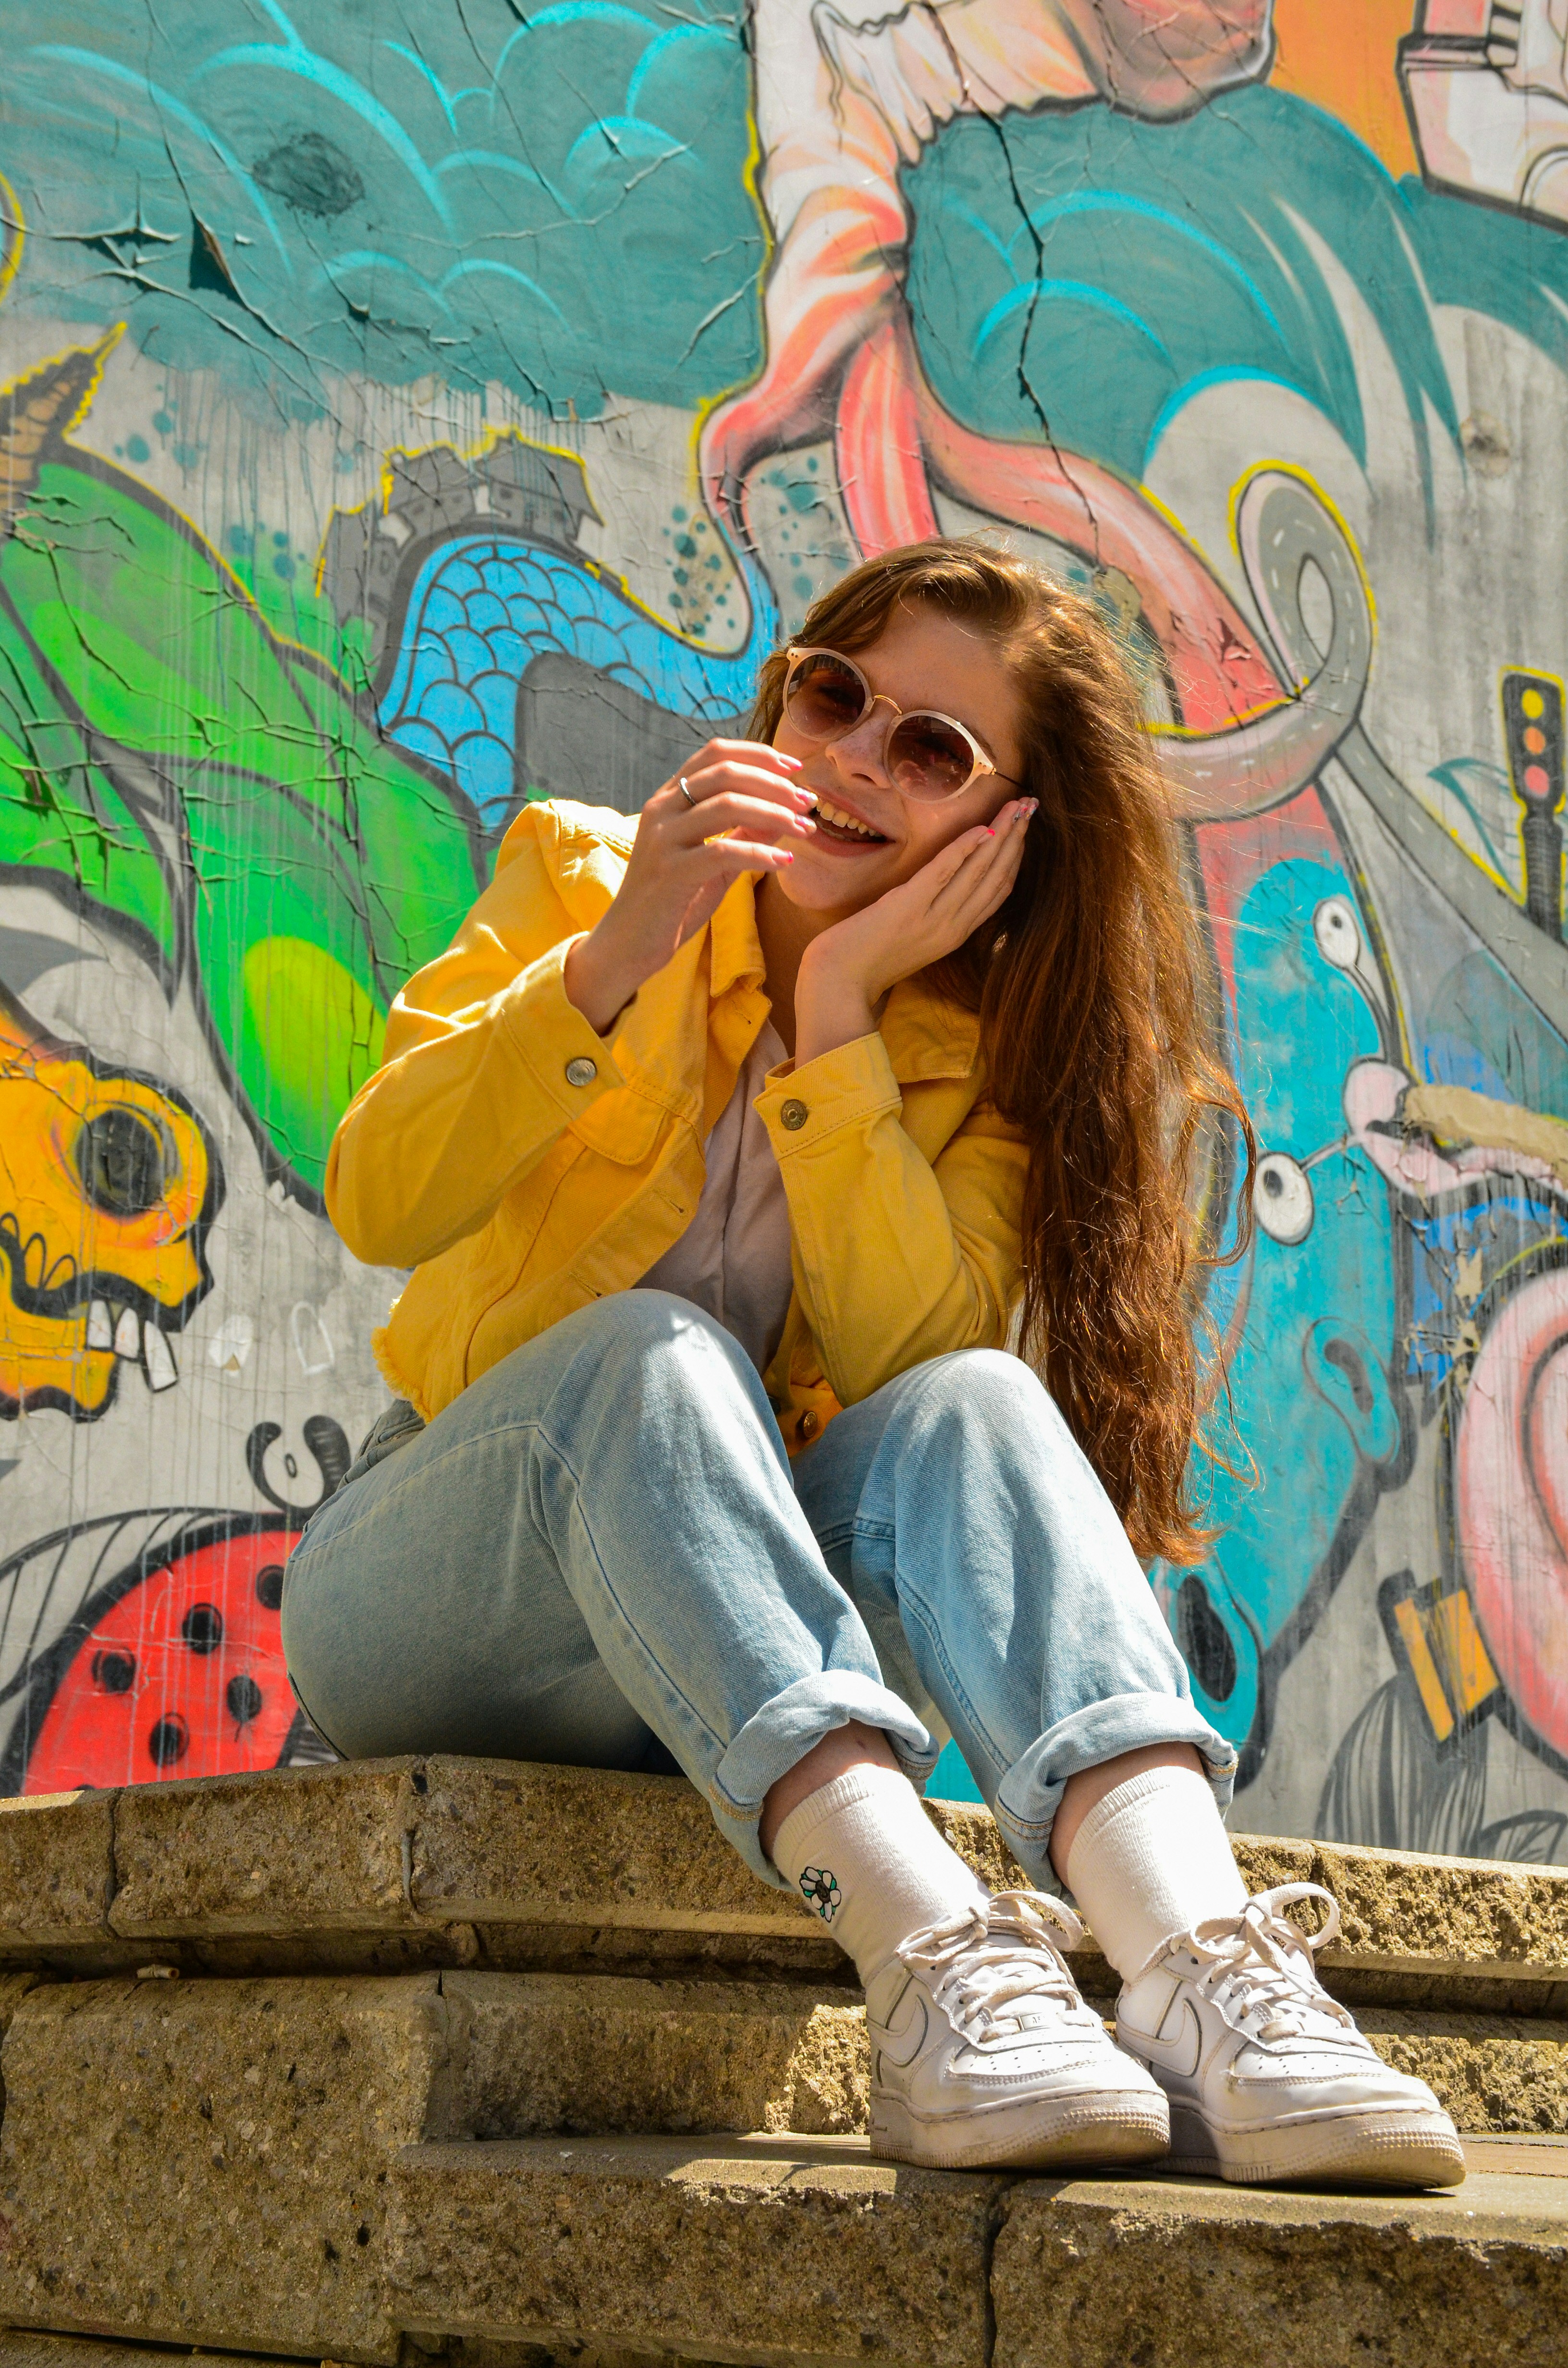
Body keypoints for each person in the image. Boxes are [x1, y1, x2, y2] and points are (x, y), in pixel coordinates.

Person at [283, 539, 1463, 2187]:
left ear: (997, 831)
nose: (854, 756)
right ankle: (928, 1962)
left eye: (930, 750)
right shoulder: (583, 878)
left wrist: (835, 1011)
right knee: (651, 1355)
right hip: (441, 1606)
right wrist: (626, 952)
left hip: (747, 1646)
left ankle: (1209, 1977)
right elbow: (381, 1192)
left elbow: (926, 1405)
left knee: (983, 1400)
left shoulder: (970, 1063)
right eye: (838, 696)